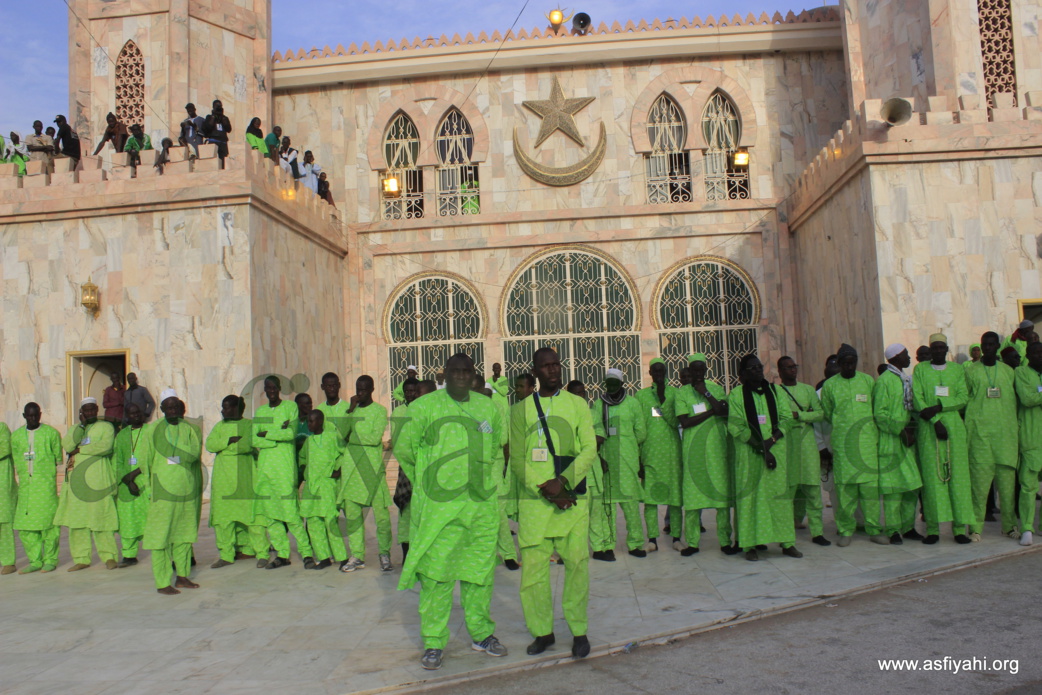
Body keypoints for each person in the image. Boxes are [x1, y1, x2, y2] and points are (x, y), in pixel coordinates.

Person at [396, 353, 509, 670]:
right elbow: (405, 450)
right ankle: (433, 642)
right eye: (454, 371)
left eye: (467, 371)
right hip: (439, 510)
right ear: (444, 374)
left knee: (480, 575)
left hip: (480, 509)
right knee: (437, 577)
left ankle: (482, 634)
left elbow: (498, 444)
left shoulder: (488, 407)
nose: (461, 376)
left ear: (474, 375)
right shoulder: (423, 408)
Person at [510, 347, 596, 658]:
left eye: (556, 364)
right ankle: (542, 632)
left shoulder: (576, 404)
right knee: (533, 572)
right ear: (534, 371)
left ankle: (578, 630)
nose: (552, 370)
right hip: (536, 505)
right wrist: (544, 488)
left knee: (577, 566)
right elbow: (517, 460)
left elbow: (589, 449)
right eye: (545, 366)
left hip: (572, 501)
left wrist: (562, 482)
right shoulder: (519, 410)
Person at [727, 355, 801, 562]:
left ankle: (787, 543)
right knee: (750, 500)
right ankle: (749, 544)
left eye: (759, 367)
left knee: (779, 499)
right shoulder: (736, 395)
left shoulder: (775, 391)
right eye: (752, 368)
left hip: (776, 452)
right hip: (749, 455)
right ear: (741, 375)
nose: (757, 371)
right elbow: (735, 426)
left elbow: (786, 419)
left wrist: (772, 440)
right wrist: (761, 446)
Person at [821, 344, 885, 546]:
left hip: (866, 443)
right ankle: (846, 530)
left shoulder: (867, 381)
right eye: (845, 363)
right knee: (845, 490)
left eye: (853, 362)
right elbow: (828, 413)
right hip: (843, 444)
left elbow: (875, 409)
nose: (850, 366)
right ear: (839, 364)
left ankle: (874, 528)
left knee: (870, 490)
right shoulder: (830, 386)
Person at [913, 333, 973, 544]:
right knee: (932, 479)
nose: (938, 351)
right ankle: (933, 530)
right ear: (930, 350)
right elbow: (918, 398)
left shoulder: (957, 369)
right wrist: (936, 420)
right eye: (934, 348)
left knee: (958, 478)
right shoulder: (920, 369)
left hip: (954, 427)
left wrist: (940, 407)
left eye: (941, 348)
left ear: (947, 349)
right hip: (929, 429)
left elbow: (963, 397)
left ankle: (958, 529)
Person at [675, 354, 735, 555]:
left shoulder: (716, 389)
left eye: (702, 370)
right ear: (689, 372)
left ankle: (725, 541)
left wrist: (707, 394)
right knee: (692, 502)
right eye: (695, 370)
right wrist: (711, 411)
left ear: (706, 370)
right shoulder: (682, 393)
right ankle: (692, 543)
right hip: (694, 454)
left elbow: (725, 412)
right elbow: (685, 422)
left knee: (722, 501)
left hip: (717, 452)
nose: (698, 374)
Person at [144, 392, 202, 594]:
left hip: (185, 490)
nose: (173, 411)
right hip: (162, 493)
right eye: (169, 408)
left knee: (184, 535)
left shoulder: (189, 429)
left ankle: (183, 576)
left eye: (176, 407)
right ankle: (162, 582)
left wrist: (178, 451)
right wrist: (148, 489)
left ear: (182, 409)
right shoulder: (153, 430)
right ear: (162, 410)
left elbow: (194, 454)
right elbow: (146, 461)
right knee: (160, 538)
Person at [253, 376, 313, 568]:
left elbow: (290, 434)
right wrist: (277, 434)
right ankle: (282, 554)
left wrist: (267, 434)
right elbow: (255, 440)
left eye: (273, 387)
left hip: (285, 470)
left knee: (292, 515)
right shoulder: (261, 411)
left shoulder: (290, 408)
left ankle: (306, 553)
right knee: (271, 516)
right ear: (265, 390)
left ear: (279, 388)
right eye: (267, 388)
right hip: (265, 471)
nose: (271, 390)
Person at [963, 332, 1018, 542]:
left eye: (991, 344)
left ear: (997, 346)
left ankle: (1009, 526)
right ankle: (975, 527)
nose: (987, 347)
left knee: (1007, 487)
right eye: (984, 344)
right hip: (979, 435)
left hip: (1005, 436)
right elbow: (964, 399)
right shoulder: (970, 371)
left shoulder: (1008, 372)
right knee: (979, 487)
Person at [589, 368, 647, 558]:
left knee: (630, 505)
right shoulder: (599, 405)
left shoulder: (632, 403)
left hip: (628, 461)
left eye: (615, 383)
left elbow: (641, 432)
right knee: (609, 508)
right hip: (607, 461)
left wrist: (628, 446)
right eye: (609, 383)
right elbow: (596, 431)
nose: (612, 387)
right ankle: (608, 544)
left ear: (622, 384)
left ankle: (636, 543)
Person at [55, 397, 118, 570]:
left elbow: (105, 446)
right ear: (81, 412)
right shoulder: (76, 428)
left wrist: (81, 449)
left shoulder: (106, 427)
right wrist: (81, 427)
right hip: (76, 482)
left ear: (97, 409)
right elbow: (68, 445)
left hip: (98, 480)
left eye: (92, 410)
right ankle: (81, 558)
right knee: (78, 521)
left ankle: (109, 556)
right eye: (86, 410)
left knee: (101, 518)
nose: (89, 413)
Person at [339, 375, 392, 572]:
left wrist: (353, 436)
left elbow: (373, 438)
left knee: (382, 516)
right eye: (357, 389)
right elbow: (341, 434)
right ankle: (357, 555)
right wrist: (350, 411)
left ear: (371, 390)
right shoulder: (351, 412)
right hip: (352, 468)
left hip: (372, 469)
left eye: (363, 390)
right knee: (352, 515)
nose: (359, 393)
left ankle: (384, 553)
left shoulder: (380, 411)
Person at [205, 395, 265, 568]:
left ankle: (259, 552)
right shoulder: (219, 426)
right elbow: (210, 445)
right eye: (223, 408)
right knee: (224, 519)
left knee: (252, 518)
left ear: (238, 408)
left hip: (245, 481)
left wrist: (224, 448)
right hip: (223, 482)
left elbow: (245, 445)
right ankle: (226, 554)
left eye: (227, 408)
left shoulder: (248, 425)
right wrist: (228, 441)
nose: (223, 411)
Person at [777, 356, 831, 546]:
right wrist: (797, 418)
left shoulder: (808, 390)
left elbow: (820, 413)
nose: (793, 370)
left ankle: (817, 532)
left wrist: (799, 415)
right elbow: (777, 416)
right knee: (789, 489)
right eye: (788, 367)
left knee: (812, 489)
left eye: (794, 366)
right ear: (780, 371)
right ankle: (785, 533)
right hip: (786, 444)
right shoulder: (775, 391)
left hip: (807, 444)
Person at [874, 345, 924, 544]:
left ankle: (908, 526)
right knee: (893, 490)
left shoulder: (906, 379)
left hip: (908, 441)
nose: (909, 357)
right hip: (891, 441)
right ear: (895, 357)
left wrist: (910, 428)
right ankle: (894, 529)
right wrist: (900, 430)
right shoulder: (884, 381)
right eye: (905, 355)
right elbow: (880, 414)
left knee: (912, 486)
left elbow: (911, 407)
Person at [635, 358, 682, 552]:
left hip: (672, 454)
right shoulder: (641, 396)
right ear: (650, 373)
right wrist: (639, 458)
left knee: (675, 498)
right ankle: (652, 540)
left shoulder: (674, 394)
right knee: (650, 500)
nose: (659, 375)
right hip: (650, 455)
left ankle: (677, 537)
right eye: (655, 371)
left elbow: (675, 422)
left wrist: (663, 398)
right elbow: (639, 427)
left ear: (666, 372)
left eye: (662, 371)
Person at [11, 403, 62, 573]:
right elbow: (18, 460)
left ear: (40, 414)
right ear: (24, 416)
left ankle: (50, 559)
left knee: (49, 527)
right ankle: (35, 561)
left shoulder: (51, 434)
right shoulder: (17, 436)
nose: (33, 419)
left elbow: (57, 458)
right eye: (29, 416)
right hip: (26, 488)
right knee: (26, 528)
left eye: (35, 415)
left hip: (45, 487)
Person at [300, 410, 347, 570]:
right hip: (311, 487)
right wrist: (305, 472)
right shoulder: (308, 442)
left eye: (312, 421)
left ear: (320, 421)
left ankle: (342, 557)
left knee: (330, 521)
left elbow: (345, 453)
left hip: (326, 486)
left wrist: (338, 470)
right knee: (313, 522)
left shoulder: (332, 437)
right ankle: (324, 557)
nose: (309, 424)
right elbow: (303, 458)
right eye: (308, 421)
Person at [112, 403, 151, 567]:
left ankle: (163, 552)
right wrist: (128, 481)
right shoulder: (121, 436)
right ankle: (129, 555)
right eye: (131, 414)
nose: (135, 416)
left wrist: (134, 475)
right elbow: (117, 461)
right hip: (126, 484)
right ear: (126, 416)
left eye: (138, 413)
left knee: (152, 517)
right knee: (127, 519)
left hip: (147, 482)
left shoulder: (151, 432)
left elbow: (153, 457)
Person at [1014, 342, 1042, 546]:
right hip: (1031, 438)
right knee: (1028, 486)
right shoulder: (1022, 372)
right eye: (1035, 352)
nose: (1039, 356)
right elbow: (1027, 398)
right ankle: (1026, 528)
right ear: (1028, 354)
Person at [391, 377, 420, 562]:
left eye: (413, 391)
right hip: (406, 467)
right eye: (407, 391)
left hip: (424, 467)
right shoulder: (398, 412)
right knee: (405, 511)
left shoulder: (424, 410)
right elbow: (397, 440)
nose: (410, 394)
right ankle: (406, 556)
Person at [0, 416, 13, 575]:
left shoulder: (1, 428)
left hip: (1, 484)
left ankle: (8, 561)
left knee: (4, 524)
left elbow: (4, 449)